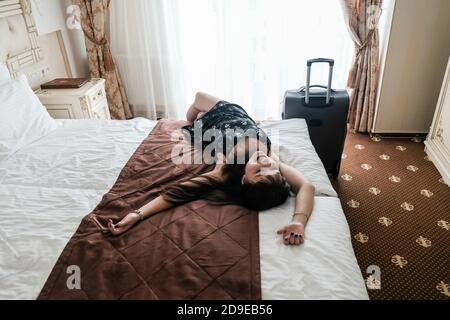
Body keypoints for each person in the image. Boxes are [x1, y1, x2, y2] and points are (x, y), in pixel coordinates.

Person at [108, 92, 315, 246]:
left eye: (257, 171)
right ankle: (199, 116)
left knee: (194, 109)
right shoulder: (273, 162)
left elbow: (177, 192)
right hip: (239, 113)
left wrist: (137, 214)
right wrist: (299, 222)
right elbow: (306, 186)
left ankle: (192, 118)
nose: (265, 163)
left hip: (214, 121)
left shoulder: (224, 170)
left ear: (244, 179)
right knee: (200, 98)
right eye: (271, 169)